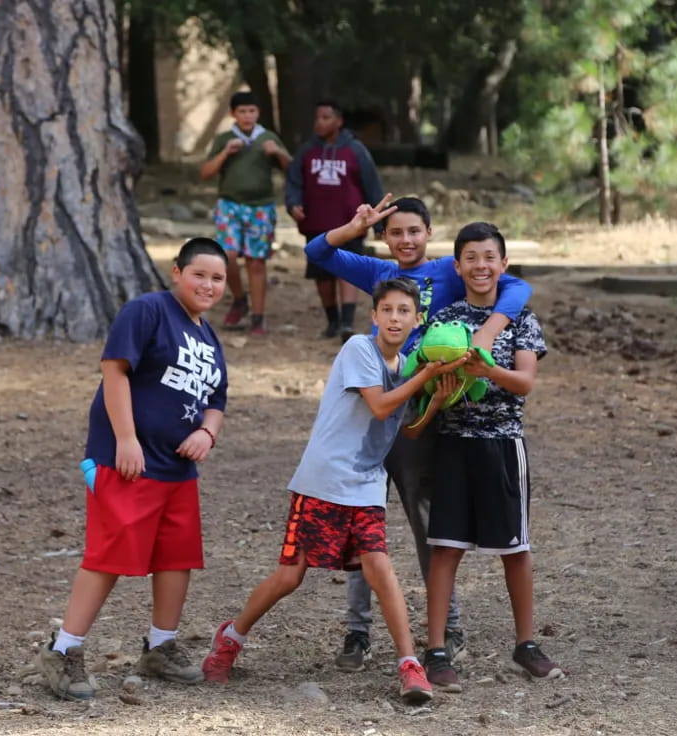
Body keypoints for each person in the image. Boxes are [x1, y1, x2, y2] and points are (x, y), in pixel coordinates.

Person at [200, 275, 467, 705]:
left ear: (417, 321)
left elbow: (409, 431)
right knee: (291, 576)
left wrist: (436, 399)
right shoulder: (359, 350)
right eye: (388, 310)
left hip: (365, 485)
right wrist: (429, 374)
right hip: (324, 480)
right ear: (374, 316)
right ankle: (230, 637)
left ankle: (409, 666)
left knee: (380, 567)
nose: (395, 319)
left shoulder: (408, 367)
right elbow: (381, 406)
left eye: (404, 312)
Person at [304, 195, 534, 671]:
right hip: (371, 410)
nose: (405, 240)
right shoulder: (377, 276)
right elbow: (317, 254)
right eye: (395, 233)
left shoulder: (450, 272)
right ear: (385, 239)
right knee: (360, 520)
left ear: (429, 233)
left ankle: (447, 627)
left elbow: (518, 287)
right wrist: (353, 226)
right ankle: (357, 631)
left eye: (414, 231)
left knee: (427, 521)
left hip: (422, 412)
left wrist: (489, 331)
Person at [36, 238, 230, 701]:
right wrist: (126, 439)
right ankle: (63, 649)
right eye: (199, 274)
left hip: (177, 470)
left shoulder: (206, 335)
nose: (208, 284)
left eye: (218, 278)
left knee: (175, 558)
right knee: (109, 556)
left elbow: (216, 401)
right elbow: (115, 370)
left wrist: (207, 433)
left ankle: (160, 645)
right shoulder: (147, 311)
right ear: (177, 273)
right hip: (130, 463)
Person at [410, 221, 562, 693]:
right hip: (453, 444)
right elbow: (426, 376)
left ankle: (526, 645)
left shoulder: (522, 319)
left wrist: (486, 368)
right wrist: (441, 378)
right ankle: (436, 650)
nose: (480, 265)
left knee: (514, 549)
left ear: (503, 265)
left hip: (502, 444)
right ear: (457, 266)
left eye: (488, 257)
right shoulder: (445, 320)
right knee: (446, 547)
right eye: (470, 258)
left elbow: (525, 382)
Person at [285, 99, 384, 340]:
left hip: (351, 222)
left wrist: (379, 221)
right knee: (322, 274)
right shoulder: (307, 150)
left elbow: (372, 184)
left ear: (338, 121)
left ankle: (347, 324)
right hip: (317, 222)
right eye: (317, 118)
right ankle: (332, 321)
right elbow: (294, 180)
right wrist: (293, 203)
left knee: (347, 270)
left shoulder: (355, 150)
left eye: (326, 117)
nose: (319, 123)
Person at [200, 90, 291, 336]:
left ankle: (258, 317)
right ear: (233, 114)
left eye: (251, 111)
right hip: (229, 205)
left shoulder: (268, 137)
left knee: (256, 262)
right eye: (242, 111)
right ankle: (239, 299)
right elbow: (205, 173)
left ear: (258, 113)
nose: (247, 116)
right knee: (226, 256)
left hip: (261, 207)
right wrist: (225, 153)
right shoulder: (225, 138)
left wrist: (278, 153)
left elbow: (291, 170)